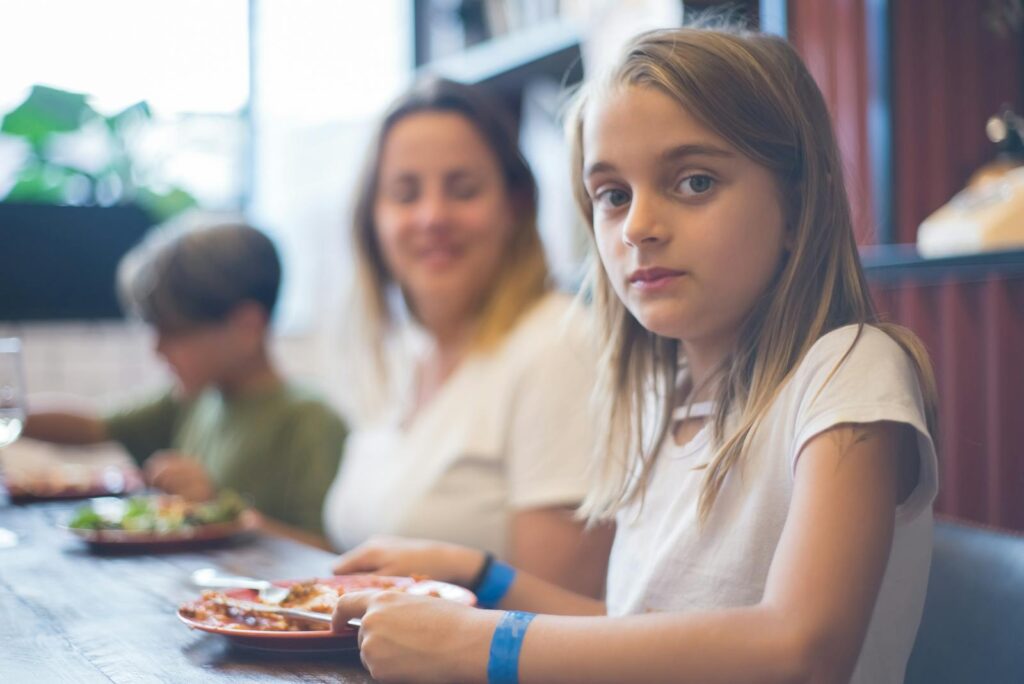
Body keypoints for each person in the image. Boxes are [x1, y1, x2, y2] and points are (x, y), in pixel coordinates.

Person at [328, 26, 940, 684]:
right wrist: (481, 575)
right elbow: (636, 633)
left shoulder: (849, 370)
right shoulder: (662, 397)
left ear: (796, 205)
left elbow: (801, 649)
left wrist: (489, 645)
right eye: (613, 195)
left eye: (695, 182)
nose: (639, 226)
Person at [321, 77, 612, 597]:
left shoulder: (558, 347)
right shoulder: (403, 352)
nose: (432, 217)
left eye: (463, 190)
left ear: (516, 205)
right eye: (405, 193)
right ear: (373, 220)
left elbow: (555, 628)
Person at [23, 219, 347, 538]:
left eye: (175, 332)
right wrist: (8, 412)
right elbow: (91, 426)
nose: (158, 348)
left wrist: (217, 509)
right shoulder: (193, 398)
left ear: (247, 327)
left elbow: (326, 553)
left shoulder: (309, 418)